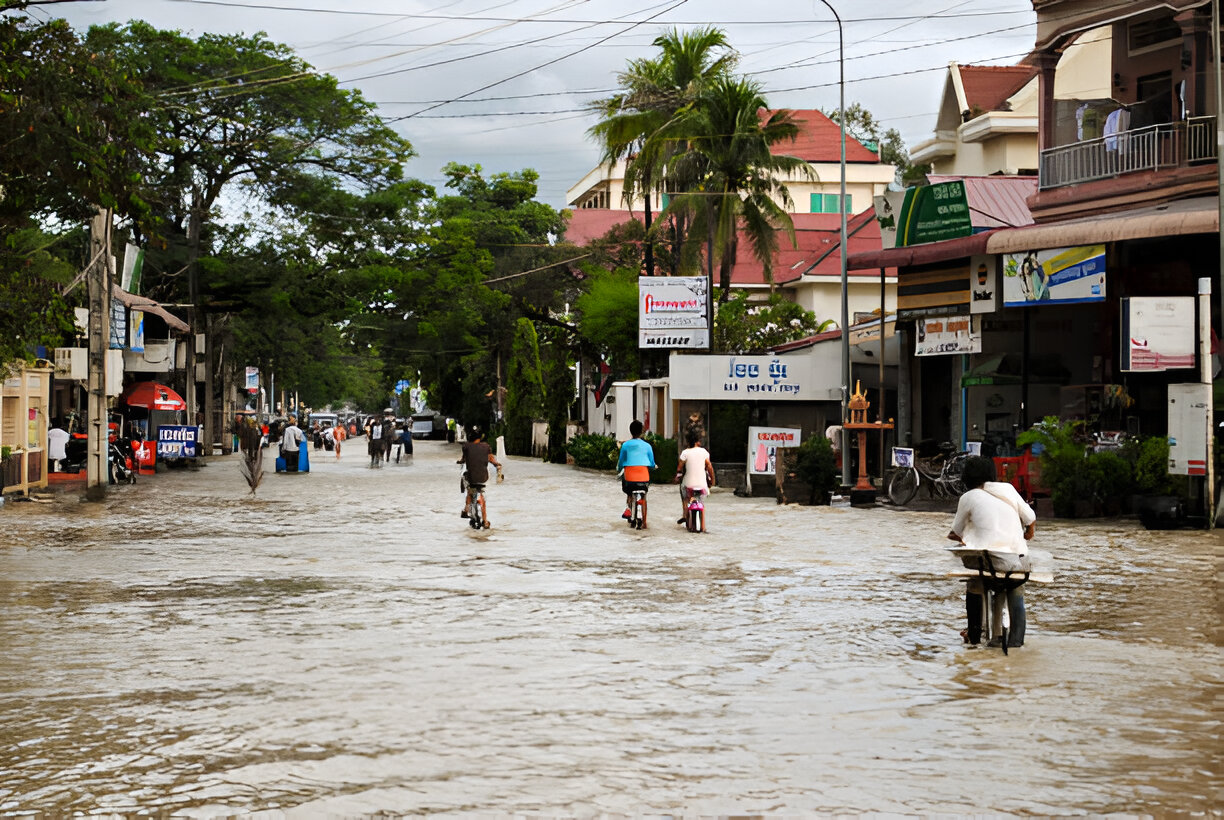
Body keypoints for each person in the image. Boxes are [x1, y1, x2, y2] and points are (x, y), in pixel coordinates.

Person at [947, 456, 1037, 648]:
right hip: (1019, 561)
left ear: (967, 478)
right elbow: (1030, 518)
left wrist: (965, 538)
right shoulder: (1008, 489)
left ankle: (974, 637)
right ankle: (1016, 642)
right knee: (1016, 587)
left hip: (988, 562)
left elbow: (955, 533)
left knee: (974, 583)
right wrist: (1028, 533)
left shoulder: (968, 497)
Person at [458, 426, 502, 529]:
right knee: (482, 496)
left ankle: (466, 509)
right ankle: (485, 521)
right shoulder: (486, 446)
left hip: (471, 477)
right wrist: (497, 464)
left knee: (468, 486)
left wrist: (460, 461)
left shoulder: (466, 447)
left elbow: (463, 459)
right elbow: (491, 459)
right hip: (483, 477)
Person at [616, 419, 656, 527]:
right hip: (644, 478)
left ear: (630, 431)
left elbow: (621, 462)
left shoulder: (625, 445)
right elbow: (652, 463)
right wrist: (653, 467)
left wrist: (619, 469)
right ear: (642, 431)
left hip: (629, 478)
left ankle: (629, 505)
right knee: (644, 497)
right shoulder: (647, 446)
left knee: (629, 491)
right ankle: (645, 522)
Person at [675, 430, 715, 530]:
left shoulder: (685, 453)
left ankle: (685, 514)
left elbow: (679, 468)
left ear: (688, 442)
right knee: (701, 502)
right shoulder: (704, 452)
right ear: (698, 441)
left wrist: (678, 477)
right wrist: (712, 481)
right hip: (702, 485)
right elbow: (709, 468)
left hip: (688, 485)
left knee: (684, 494)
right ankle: (703, 527)